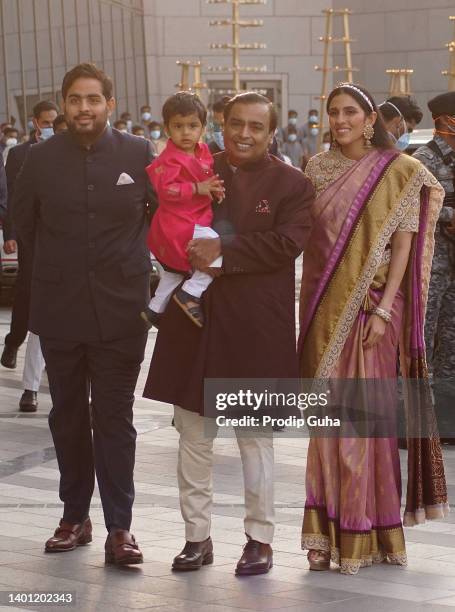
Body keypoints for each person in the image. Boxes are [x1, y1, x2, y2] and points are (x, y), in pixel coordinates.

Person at [144, 92, 314, 575]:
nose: (243, 134)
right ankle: (196, 538)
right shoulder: (194, 164)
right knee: (192, 439)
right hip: (194, 325)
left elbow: (286, 245)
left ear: (272, 132)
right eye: (235, 123)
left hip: (255, 329)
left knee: (254, 440)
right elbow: (159, 212)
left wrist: (219, 251)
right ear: (220, 123)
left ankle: (259, 538)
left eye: (255, 127)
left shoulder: (292, 184)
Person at [299, 83, 448, 575]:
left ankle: (368, 531)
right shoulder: (316, 169)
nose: (341, 120)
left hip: (371, 318)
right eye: (333, 113)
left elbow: (403, 247)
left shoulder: (398, 171)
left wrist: (385, 311)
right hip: (325, 309)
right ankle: (324, 537)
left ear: (370, 118)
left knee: (367, 428)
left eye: (350, 113)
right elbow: (313, 245)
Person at [13, 62, 156, 565]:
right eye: (75, 100)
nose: (83, 108)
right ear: (65, 104)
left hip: (121, 312)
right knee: (68, 416)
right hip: (61, 310)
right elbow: (23, 222)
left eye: (93, 99)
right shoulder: (39, 157)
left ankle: (121, 527)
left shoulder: (138, 153)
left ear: (109, 104)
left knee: (115, 420)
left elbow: (159, 217)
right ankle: (74, 517)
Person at [141, 92, 224, 329]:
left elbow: (209, 178)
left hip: (196, 217)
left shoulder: (203, 152)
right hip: (178, 223)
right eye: (178, 126)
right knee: (216, 251)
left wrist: (215, 189)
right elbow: (165, 190)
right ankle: (191, 293)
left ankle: (155, 308)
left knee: (173, 272)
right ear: (167, 129)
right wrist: (198, 188)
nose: (186, 132)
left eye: (192, 126)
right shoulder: (167, 159)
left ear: (203, 128)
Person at [1, 100, 58, 376]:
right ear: (35, 123)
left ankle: (53, 353)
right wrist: (11, 233)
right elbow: (11, 197)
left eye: (53, 122)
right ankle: (13, 342)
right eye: (45, 122)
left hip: (59, 235)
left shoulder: (64, 151)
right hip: (30, 236)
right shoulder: (18, 154)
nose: (50, 127)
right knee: (27, 289)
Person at [413, 92, 455, 441]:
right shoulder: (423, 158)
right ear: (448, 120)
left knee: (450, 344)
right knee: (423, 339)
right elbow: (417, 203)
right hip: (433, 264)